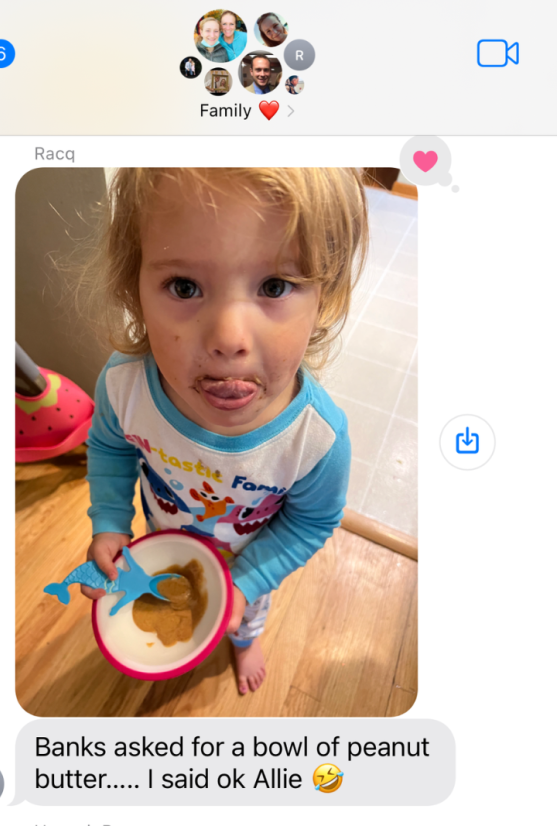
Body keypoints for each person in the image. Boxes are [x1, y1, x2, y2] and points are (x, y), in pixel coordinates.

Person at [81, 168, 368, 695]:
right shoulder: (124, 387)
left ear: (324, 297)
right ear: (134, 288)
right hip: (162, 536)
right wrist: (109, 522)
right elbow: (109, 448)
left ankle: (246, 641)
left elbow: (310, 524)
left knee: (247, 614)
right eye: (185, 286)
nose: (229, 338)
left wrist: (246, 582)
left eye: (274, 286)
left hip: (249, 560)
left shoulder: (315, 440)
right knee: (173, 588)